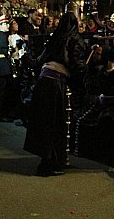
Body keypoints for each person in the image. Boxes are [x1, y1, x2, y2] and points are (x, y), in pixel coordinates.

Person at [23, 12, 88, 177]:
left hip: (43, 81)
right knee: (55, 123)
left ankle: (49, 161)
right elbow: (76, 65)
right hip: (56, 84)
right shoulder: (74, 39)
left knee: (46, 123)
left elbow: (38, 60)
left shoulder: (54, 38)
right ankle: (49, 163)